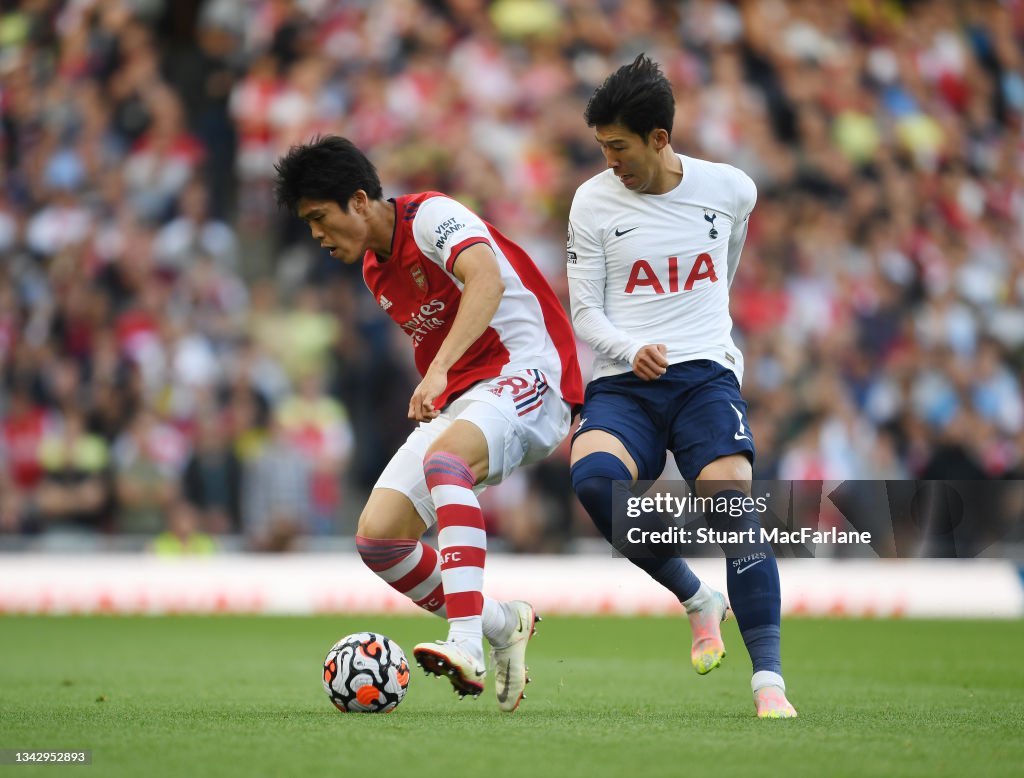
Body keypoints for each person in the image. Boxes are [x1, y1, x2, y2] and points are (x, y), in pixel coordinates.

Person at [274, 136, 583, 712]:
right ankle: (499, 623)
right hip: (469, 394)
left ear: (359, 200)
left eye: (319, 218)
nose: (316, 235)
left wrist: (437, 371)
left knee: (447, 464)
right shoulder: (373, 270)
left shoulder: (432, 216)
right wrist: (446, 379)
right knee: (380, 538)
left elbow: (486, 280)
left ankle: (463, 642)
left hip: (531, 370)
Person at [566, 55, 797, 718]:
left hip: (703, 380)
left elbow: (723, 275)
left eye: (619, 147)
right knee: (592, 482)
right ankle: (698, 598)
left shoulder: (731, 190)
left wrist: (697, 344)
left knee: (733, 508)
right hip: (624, 380)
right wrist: (631, 348)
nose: (610, 161)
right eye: (602, 147)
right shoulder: (592, 202)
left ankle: (770, 685)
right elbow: (585, 310)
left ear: (659, 139)